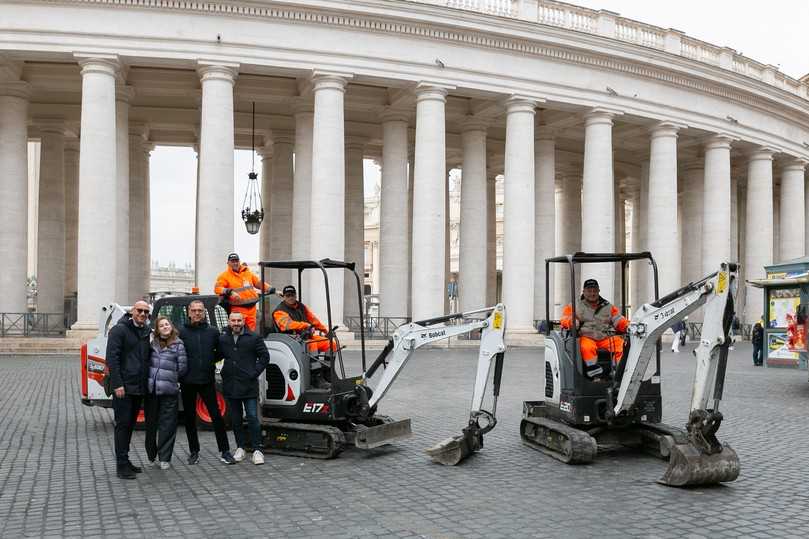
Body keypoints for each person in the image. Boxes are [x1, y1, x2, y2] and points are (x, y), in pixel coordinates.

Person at [179, 300, 235, 465]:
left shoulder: (212, 332)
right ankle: (194, 451)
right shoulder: (181, 332)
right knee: (189, 418)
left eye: (200, 310)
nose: (197, 313)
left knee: (216, 416)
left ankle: (225, 451)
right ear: (189, 312)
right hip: (187, 380)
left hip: (207, 380)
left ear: (204, 313)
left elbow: (221, 351)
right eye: (194, 310)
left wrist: (209, 361)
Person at [106, 300, 152, 480]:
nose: (142, 314)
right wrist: (117, 384)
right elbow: (112, 358)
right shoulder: (119, 330)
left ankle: (126, 460)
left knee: (130, 425)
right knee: (122, 425)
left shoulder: (146, 331)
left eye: (146, 312)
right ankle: (121, 465)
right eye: (139, 310)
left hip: (138, 387)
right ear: (132, 311)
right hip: (123, 388)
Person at [219, 311, 270, 465]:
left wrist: (254, 372)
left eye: (239, 320)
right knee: (236, 419)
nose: (236, 323)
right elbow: (218, 355)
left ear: (243, 321)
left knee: (253, 417)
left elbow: (265, 357)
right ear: (229, 322)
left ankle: (257, 450)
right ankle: (240, 447)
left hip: (248, 385)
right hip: (231, 385)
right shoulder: (223, 339)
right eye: (233, 320)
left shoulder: (254, 338)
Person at [560, 279, 629, 379]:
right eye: (589, 291)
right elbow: (564, 318)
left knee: (621, 344)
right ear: (584, 291)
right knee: (587, 347)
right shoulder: (574, 305)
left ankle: (617, 372)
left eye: (595, 291)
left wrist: (628, 326)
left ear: (598, 291)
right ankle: (594, 373)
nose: (592, 294)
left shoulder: (608, 306)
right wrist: (572, 322)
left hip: (604, 337)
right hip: (586, 337)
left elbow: (618, 320)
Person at [144, 316, 187, 469]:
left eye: (167, 324)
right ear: (157, 329)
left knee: (167, 426)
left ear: (171, 326)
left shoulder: (178, 344)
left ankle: (164, 458)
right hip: (151, 391)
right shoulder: (152, 343)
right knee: (150, 425)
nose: (165, 327)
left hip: (169, 391)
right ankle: (151, 455)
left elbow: (182, 368)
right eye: (161, 325)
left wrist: (171, 378)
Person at [214, 252, 274, 331]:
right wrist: (230, 292)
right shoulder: (224, 276)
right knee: (238, 330)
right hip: (238, 308)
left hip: (252, 308)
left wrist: (271, 289)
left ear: (239, 261)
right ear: (228, 263)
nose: (235, 263)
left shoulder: (248, 273)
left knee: (251, 332)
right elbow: (217, 289)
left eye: (236, 261)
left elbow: (258, 283)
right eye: (232, 261)